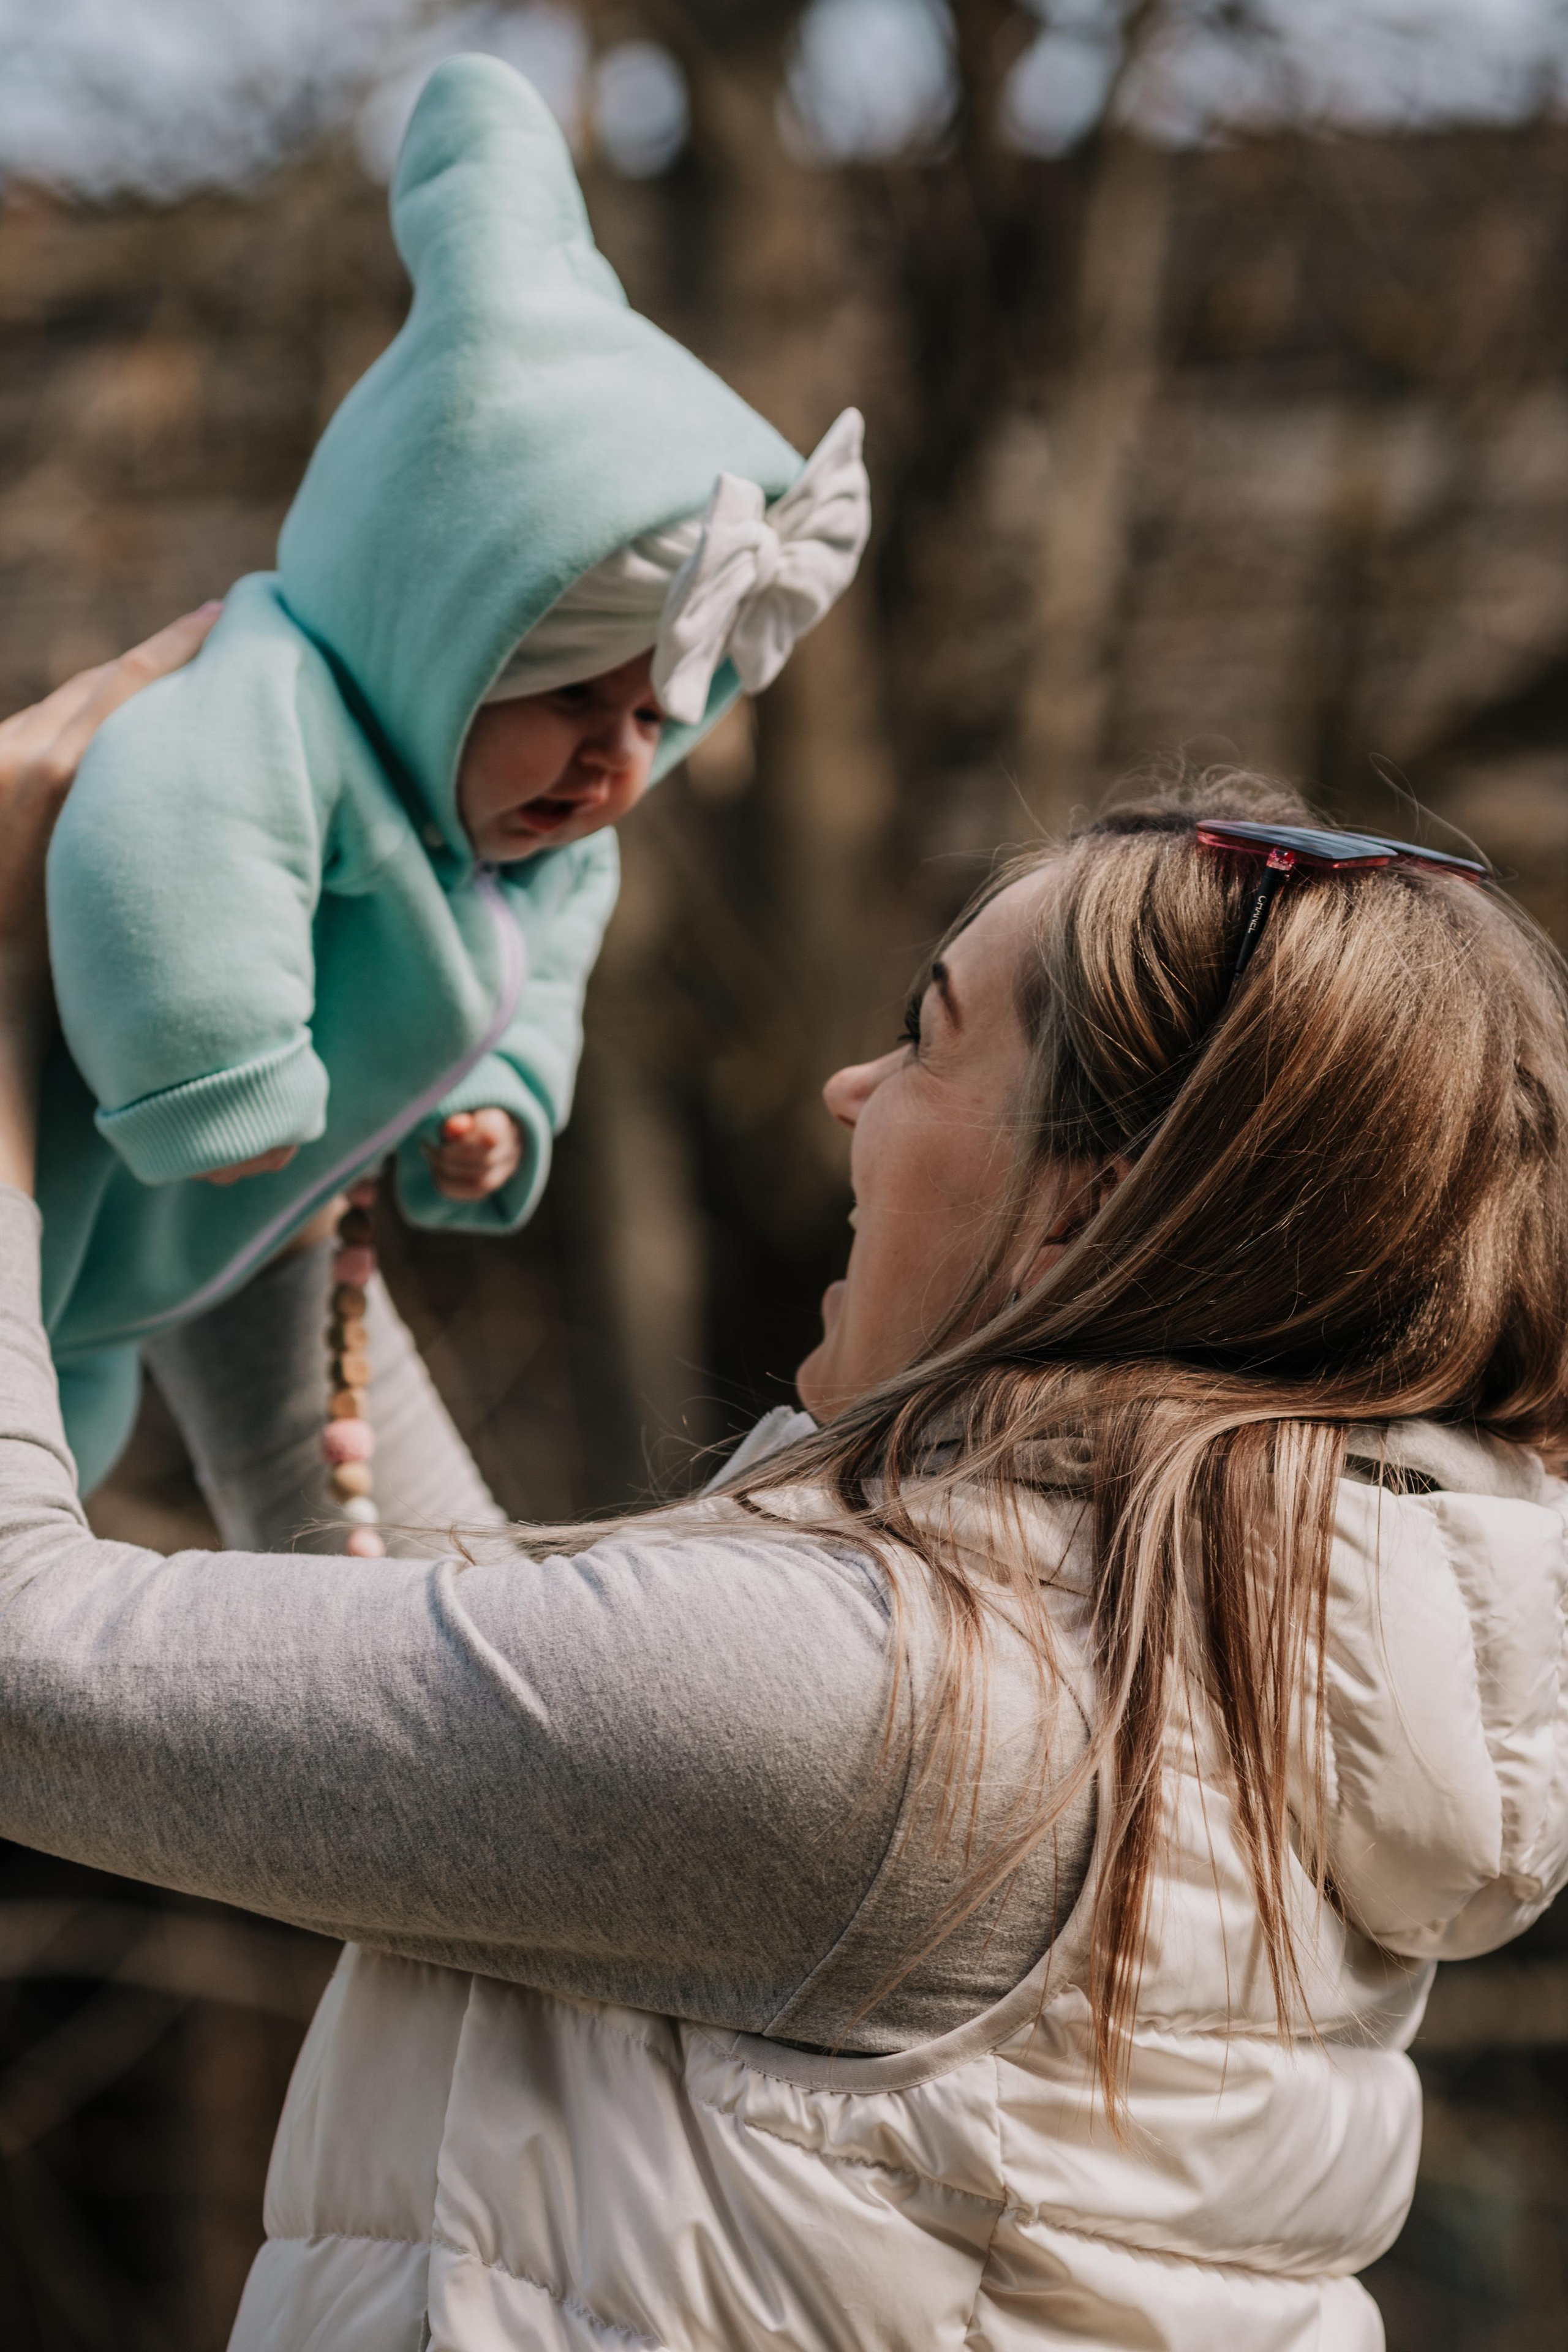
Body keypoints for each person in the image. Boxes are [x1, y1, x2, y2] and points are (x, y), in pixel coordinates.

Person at [2, 624, 1567, 2352]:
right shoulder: (1187, 1660)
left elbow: (28, 1668)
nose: (848, 1092)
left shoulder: (917, 1705)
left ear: (1089, 1210)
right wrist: (228, 1073)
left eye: (925, 1039)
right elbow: (478, 1681)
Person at [34, 52, 870, 1493]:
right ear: (429, 630)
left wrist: (505, 1105)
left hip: (147, 1282)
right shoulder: (280, 699)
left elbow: (540, 987)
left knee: (64, 1457)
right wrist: (219, 1064)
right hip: (62, 1178)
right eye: (571, 697)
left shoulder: (550, 858)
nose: (613, 755)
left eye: (653, 719)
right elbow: (164, 836)